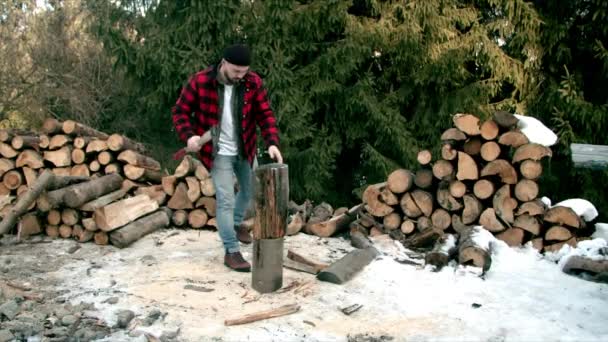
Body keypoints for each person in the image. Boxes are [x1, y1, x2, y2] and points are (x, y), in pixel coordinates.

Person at [171, 44, 283, 272]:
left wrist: (271, 142)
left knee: (251, 190)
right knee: (225, 199)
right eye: (236, 72)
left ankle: (234, 224)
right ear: (224, 63)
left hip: (246, 147)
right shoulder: (200, 81)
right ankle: (231, 251)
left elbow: (265, 114)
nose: (240, 76)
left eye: (244, 72)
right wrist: (189, 135)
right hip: (217, 152)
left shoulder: (253, 82)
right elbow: (180, 111)